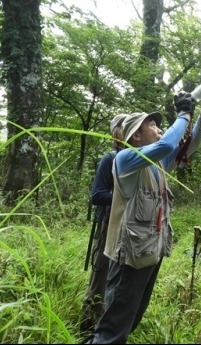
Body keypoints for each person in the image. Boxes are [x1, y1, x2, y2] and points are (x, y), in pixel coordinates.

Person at [86, 87, 201, 344]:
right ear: (136, 137)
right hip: (130, 259)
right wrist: (182, 113)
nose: (159, 127)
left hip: (150, 254)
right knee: (113, 330)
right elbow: (168, 142)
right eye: (152, 124)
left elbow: (190, 145)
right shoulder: (125, 159)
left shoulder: (159, 165)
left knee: (129, 321)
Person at [80, 113, 127, 335]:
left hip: (129, 227)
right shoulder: (110, 158)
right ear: (117, 134)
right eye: (125, 127)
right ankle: (87, 326)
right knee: (100, 276)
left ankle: (109, 326)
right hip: (109, 224)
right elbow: (97, 195)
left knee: (119, 280)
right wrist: (124, 195)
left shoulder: (138, 158)